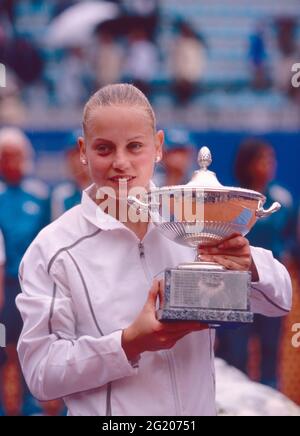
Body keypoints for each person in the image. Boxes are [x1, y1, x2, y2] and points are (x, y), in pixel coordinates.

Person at [16, 84, 292, 416]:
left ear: (158, 146)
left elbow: (280, 300)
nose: (121, 162)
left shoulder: (193, 221)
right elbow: (41, 373)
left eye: (135, 147)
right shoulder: (53, 250)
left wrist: (249, 264)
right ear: (83, 151)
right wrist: (128, 343)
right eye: (104, 149)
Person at [217, 139, 294, 388]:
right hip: (233, 285)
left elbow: (292, 238)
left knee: (271, 348)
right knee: (235, 350)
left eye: (271, 159)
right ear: (247, 164)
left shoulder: (283, 200)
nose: (268, 165)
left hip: (270, 284)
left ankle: (271, 402)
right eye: (262, 159)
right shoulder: (233, 199)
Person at [0, 127, 50, 415]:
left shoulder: (41, 195)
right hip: (3, 287)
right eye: (5, 156)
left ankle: (33, 406)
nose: (12, 161)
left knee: (30, 344)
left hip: (31, 286)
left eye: (17, 155)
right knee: (2, 347)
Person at [51, 133, 91, 221]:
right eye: (72, 155)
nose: (78, 160)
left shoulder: (105, 189)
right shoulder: (61, 194)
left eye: (82, 152)